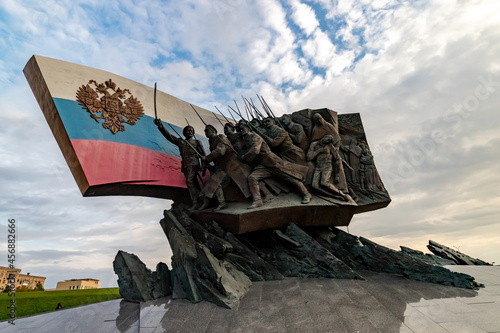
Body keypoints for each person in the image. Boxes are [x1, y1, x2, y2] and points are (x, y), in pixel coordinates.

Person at [237, 121, 312, 209]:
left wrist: (245, 156)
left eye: (243, 128)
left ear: (248, 128)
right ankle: (258, 201)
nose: (241, 130)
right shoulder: (245, 140)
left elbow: (255, 150)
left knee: (289, 176)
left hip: (272, 161)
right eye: (240, 129)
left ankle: (306, 194)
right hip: (263, 164)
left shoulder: (255, 136)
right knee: (252, 178)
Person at [154, 118, 205, 209]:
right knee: (193, 183)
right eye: (187, 130)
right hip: (185, 164)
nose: (189, 132)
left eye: (191, 130)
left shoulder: (197, 142)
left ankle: (196, 202)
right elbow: (169, 136)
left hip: (193, 163)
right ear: (184, 133)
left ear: (193, 133)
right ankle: (200, 200)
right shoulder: (181, 142)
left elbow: (203, 155)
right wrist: (160, 126)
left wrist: (204, 166)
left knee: (190, 181)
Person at [198, 125, 252, 211]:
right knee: (214, 182)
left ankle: (256, 198)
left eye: (207, 130)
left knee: (245, 180)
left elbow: (221, 151)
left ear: (214, 131)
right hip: (223, 166)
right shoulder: (211, 142)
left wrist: (207, 158)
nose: (206, 132)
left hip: (232, 162)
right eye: (205, 131)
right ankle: (221, 203)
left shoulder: (220, 137)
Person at [307, 135, 348, 200]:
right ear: (324, 137)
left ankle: (341, 193)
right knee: (314, 186)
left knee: (324, 183)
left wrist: (336, 175)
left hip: (327, 167)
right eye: (328, 139)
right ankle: (334, 196)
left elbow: (337, 159)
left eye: (330, 140)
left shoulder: (330, 146)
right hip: (318, 167)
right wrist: (319, 151)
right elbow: (309, 157)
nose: (328, 141)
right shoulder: (314, 144)